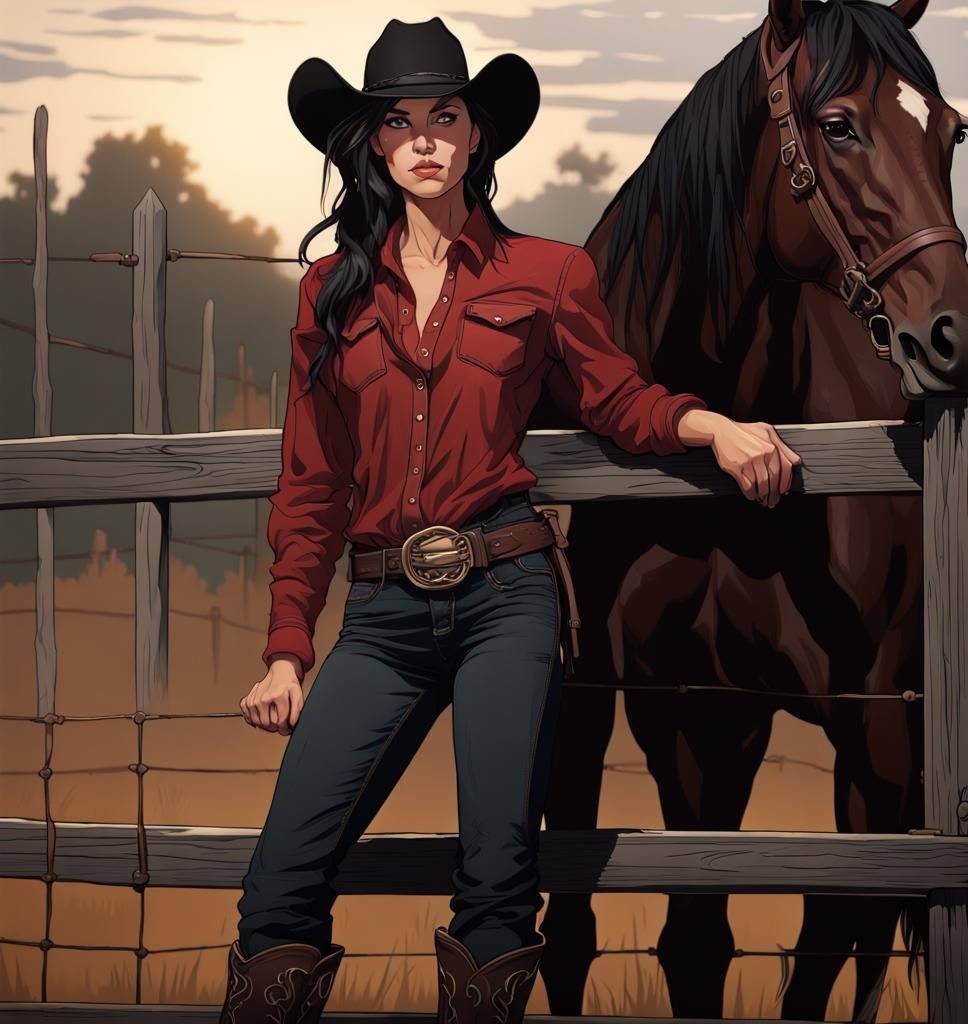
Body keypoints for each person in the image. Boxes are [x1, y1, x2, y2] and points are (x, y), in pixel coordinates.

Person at [218, 16, 801, 1024]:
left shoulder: (549, 273)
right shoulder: (329, 293)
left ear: (476, 132)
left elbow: (617, 400)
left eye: (444, 117)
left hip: (505, 596)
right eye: (398, 122)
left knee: (497, 881)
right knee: (280, 879)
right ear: (373, 143)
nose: (424, 140)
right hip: (381, 616)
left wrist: (709, 425)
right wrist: (285, 650)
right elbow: (311, 483)